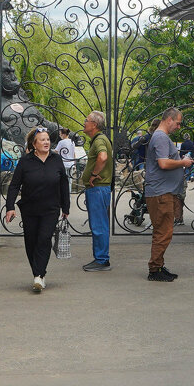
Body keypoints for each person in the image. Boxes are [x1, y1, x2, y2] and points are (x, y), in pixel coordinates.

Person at [4, 126, 70, 293]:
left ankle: (39, 275)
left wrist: (66, 207)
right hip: (30, 209)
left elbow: (63, 183)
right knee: (31, 241)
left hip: (51, 209)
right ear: (34, 144)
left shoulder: (56, 160)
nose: (46, 142)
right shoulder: (25, 161)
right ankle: (38, 273)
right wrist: (10, 207)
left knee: (44, 239)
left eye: (47, 139)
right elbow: (14, 186)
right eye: (42, 140)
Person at [144, 107, 194, 282]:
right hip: (160, 193)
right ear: (169, 120)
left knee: (162, 230)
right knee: (163, 232)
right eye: (178, 123)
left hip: (162, 191)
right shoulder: (160, 137)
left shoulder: (160, 137)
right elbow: (164, 163)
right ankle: (154, 270)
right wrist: (184, 162)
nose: (179, 127)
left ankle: (158, 265)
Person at [79, 111, 113, 272]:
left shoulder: (99, 140)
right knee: (100, 224)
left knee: (99, 225)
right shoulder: (99, 139)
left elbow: (103, 157)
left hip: (98, 188)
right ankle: (101, 258)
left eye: (87, 120)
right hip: (100, 189)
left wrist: (93, 174)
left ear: (94, 124)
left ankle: (101, 260)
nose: (84, 122)